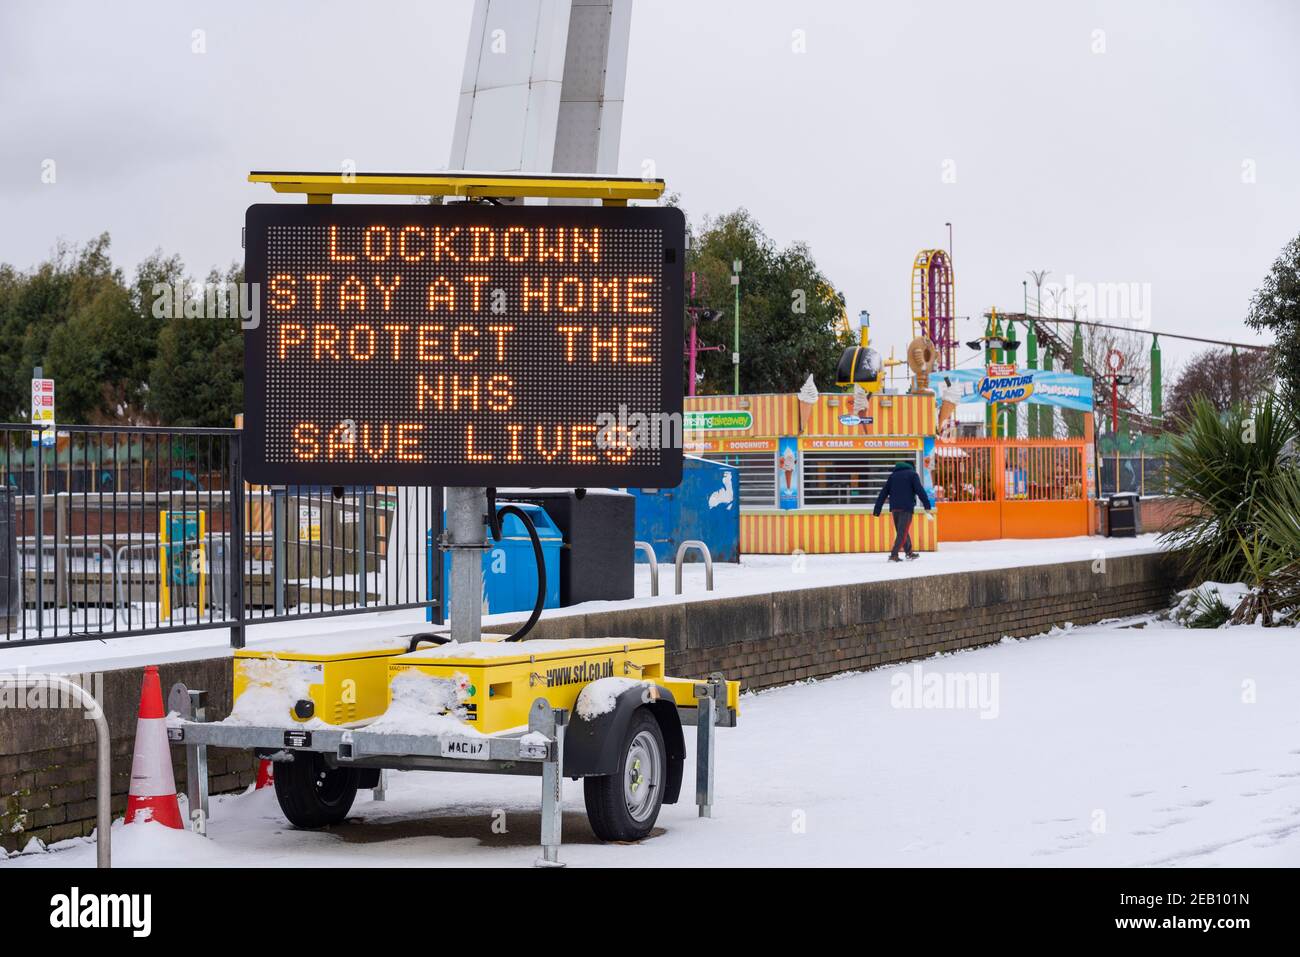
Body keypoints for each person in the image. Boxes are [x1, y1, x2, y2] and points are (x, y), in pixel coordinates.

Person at [872, 461, 933, 562]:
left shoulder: (893, 476)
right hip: (906, 507)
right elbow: (920, 490)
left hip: (895, 508)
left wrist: (877, 509)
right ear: (911, 467)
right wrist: (927, 505)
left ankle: (909, 553)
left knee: (902, 531)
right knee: (902, 532)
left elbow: (883, 492)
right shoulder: (912, 475)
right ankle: (894, 555)